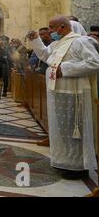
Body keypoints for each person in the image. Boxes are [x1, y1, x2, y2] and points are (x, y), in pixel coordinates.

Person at [27, 16, 99, 179]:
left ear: (62, 27)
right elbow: (46, 56)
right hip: (57, 92)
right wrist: (36, 41)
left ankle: (78, 167)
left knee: (75, 129)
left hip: (74, 93)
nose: (50, 31)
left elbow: (94, 63)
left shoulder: (80, 42)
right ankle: (64, 162)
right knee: (61, 130)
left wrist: (65, 69)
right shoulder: (57, 44)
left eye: (51, 28)